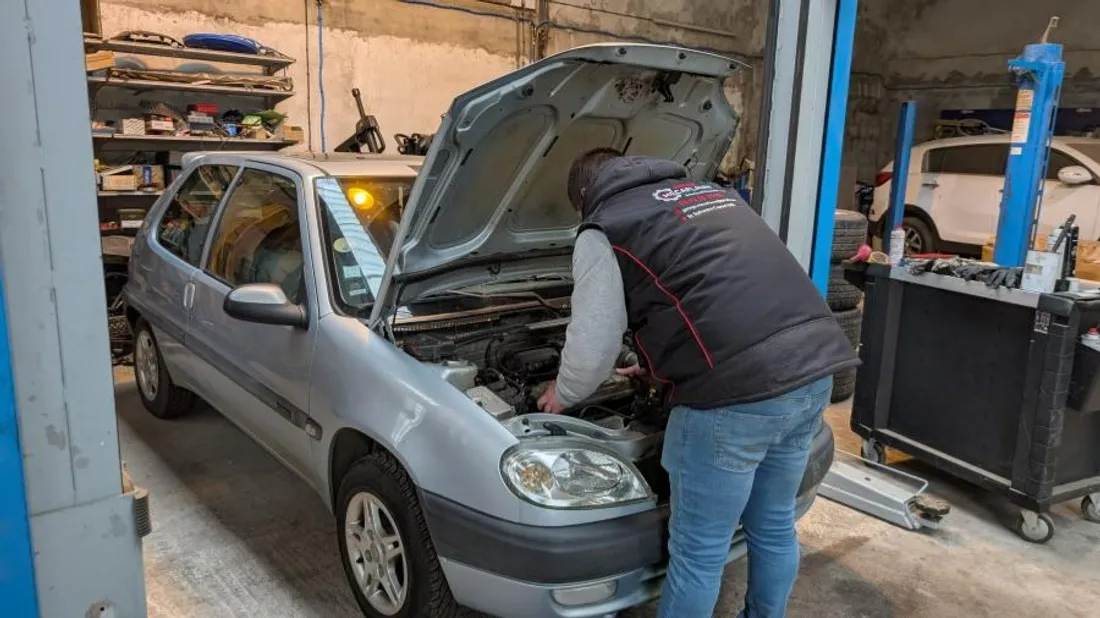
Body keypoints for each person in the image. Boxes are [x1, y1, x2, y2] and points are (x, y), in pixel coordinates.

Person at [537, 149, 860, 618]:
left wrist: (563, 393)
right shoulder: (713, 195)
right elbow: (714, 292)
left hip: (735, 399)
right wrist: (656, 366)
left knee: (699, 554)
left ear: (585, 195)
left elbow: (592, 345)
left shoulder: (606, 225)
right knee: (772, 525)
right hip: (812, 372)